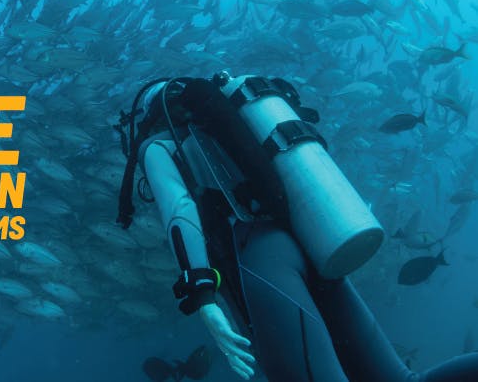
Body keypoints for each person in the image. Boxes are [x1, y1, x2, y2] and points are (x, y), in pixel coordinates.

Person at [115, 73, 478, 381]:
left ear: (151, 115)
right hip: (311, 242)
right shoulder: (238, 132)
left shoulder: (156, 147)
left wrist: (203, 296)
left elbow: (180, 210)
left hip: (261, 258)